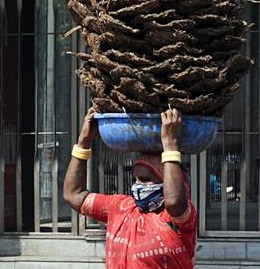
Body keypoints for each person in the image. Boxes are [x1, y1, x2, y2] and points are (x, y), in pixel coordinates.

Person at [63, 107, 197, 269]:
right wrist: (83, 141)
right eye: (135, 179)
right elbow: (73, 195)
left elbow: (174, 201)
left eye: (146, 179)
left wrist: (170, 145)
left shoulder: (179, 218)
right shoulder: (121, 208)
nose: (137, 185)